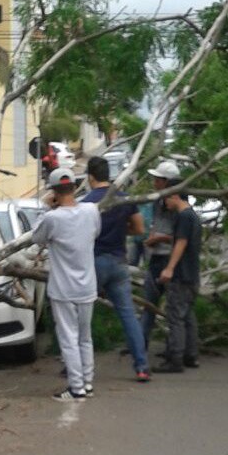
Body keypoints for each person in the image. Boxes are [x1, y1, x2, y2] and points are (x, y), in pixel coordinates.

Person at [33, 167, 101, 401]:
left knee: (68, 339)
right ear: (74, 187)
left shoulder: (52, 217)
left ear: (54, 191)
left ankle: (76, 387)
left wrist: (46, 205)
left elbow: (37, 238)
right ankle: (88, 383)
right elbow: (95, 233)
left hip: (63, 288)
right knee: (85, 336)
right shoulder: (91, 211)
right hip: (87, 285)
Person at [82, 157, 151, 382]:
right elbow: (139, 228)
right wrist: (123, 231)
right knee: (128, 315)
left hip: (95, 262)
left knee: (82, 315)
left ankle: (76, 364)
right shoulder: (124, 199)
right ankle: (141, 366)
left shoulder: (87, 202)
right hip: (120, 261)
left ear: (90, 177)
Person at [154, 180, 202, 373]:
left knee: (175, 316)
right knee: (187, 315)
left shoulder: (183, 217)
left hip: (181, 274)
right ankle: (191, 355)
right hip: (192, 274)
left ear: (175, 195)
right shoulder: (193, 216)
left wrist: (169, 268)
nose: (164, 201)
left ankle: (175, 358)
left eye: (166, 196)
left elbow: (180, 243)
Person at [140, 160, 181, 349]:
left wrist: (158, 239)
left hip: (168, 259)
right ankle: (141, 343)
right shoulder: (158, 201)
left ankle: (174, 348)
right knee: (148, 304)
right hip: (155, 258)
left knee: (173, 307)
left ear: (167, 182)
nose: (154, 182)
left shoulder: (177, 206)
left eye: (158, 179)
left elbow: (179, 237)